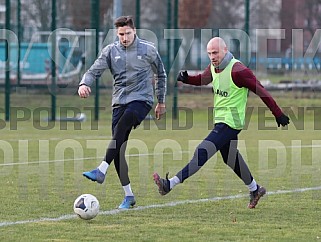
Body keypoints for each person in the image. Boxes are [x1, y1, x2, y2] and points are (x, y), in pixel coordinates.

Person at [153, 37, 290, 209]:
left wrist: (277, 114)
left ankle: (169, 184)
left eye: (215, 52)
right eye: (209, 53)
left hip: (231, 123)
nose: (212, 56)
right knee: (230, 158)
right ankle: (255, 189)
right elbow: (203, 79)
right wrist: (187, 79)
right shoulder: (214, 67)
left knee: (202, 151)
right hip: (221, 120)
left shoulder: (238, 70)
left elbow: (261, 90)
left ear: (225, 50)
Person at [78, 16, 167, 209]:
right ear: (116, 34)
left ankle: (101, 169)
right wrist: (84, 83)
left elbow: (161, 73)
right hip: (119, 102)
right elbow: (93, 71)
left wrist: (161, 101)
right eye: (121, 34)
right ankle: (129, 196)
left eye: (127, 33)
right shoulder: (110, 51)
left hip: (142, 100)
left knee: (125, 123)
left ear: (134, 31)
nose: (124, 37)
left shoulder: (148, 49)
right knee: (118, 149)